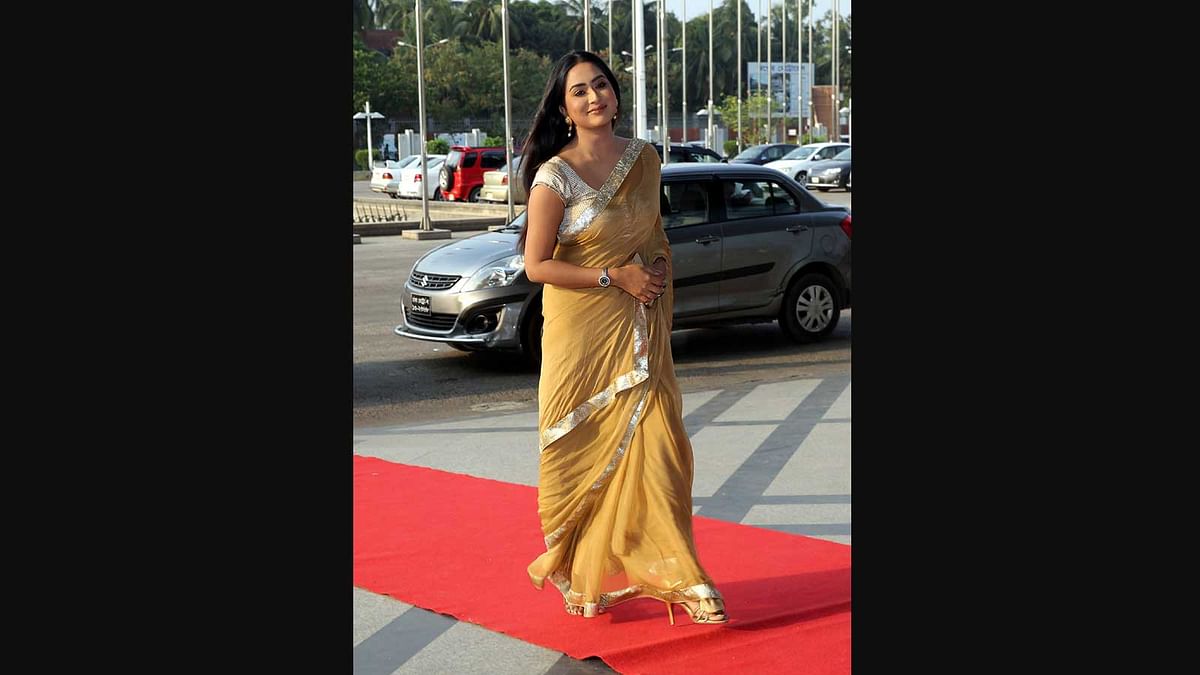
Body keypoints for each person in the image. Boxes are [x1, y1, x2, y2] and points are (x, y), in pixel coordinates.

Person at [517, 50, 728, 625]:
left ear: (615, 93)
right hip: (581, 337)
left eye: (602, 85)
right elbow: (536, 266)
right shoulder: (553, 176)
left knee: (662, 452)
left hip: (639, 331)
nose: (594, 98)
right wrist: (616, 276)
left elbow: (654, 232)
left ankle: (686, 578)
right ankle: (578, 571)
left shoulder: (643, 158)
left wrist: (654, 268)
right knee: (582, 456)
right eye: (580, 91)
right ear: (564, 108)